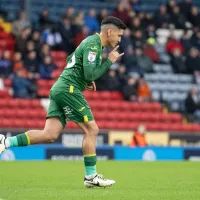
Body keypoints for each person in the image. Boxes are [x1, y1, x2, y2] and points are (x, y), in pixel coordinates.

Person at [0, 16, 126, 188]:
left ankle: (5, 142)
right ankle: (91, 176)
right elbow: (89, 73)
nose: (120, 39)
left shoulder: (90, 43)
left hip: (60, 88)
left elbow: (69, 60)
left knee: (49, 135)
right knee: (92, 129)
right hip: (69, 89)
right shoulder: (93, 44)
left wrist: (85, 80)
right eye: (119, 35)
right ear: (109, 31)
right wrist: (109, 62)